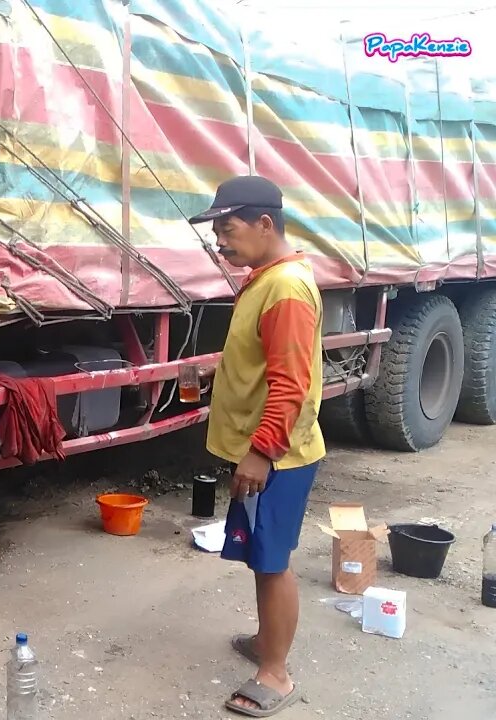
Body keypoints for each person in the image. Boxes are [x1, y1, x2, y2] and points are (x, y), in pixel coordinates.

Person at [189, 175, 325, 718]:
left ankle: (276, 673)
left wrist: (262, 451)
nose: (220, 242)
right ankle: (271, 641)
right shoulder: (266, 278)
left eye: (229, 229)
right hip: (267, 451)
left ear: (265, 224)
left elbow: (291, 382)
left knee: (272, 562)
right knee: (259, 557)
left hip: (279, 457)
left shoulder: (286, 288)